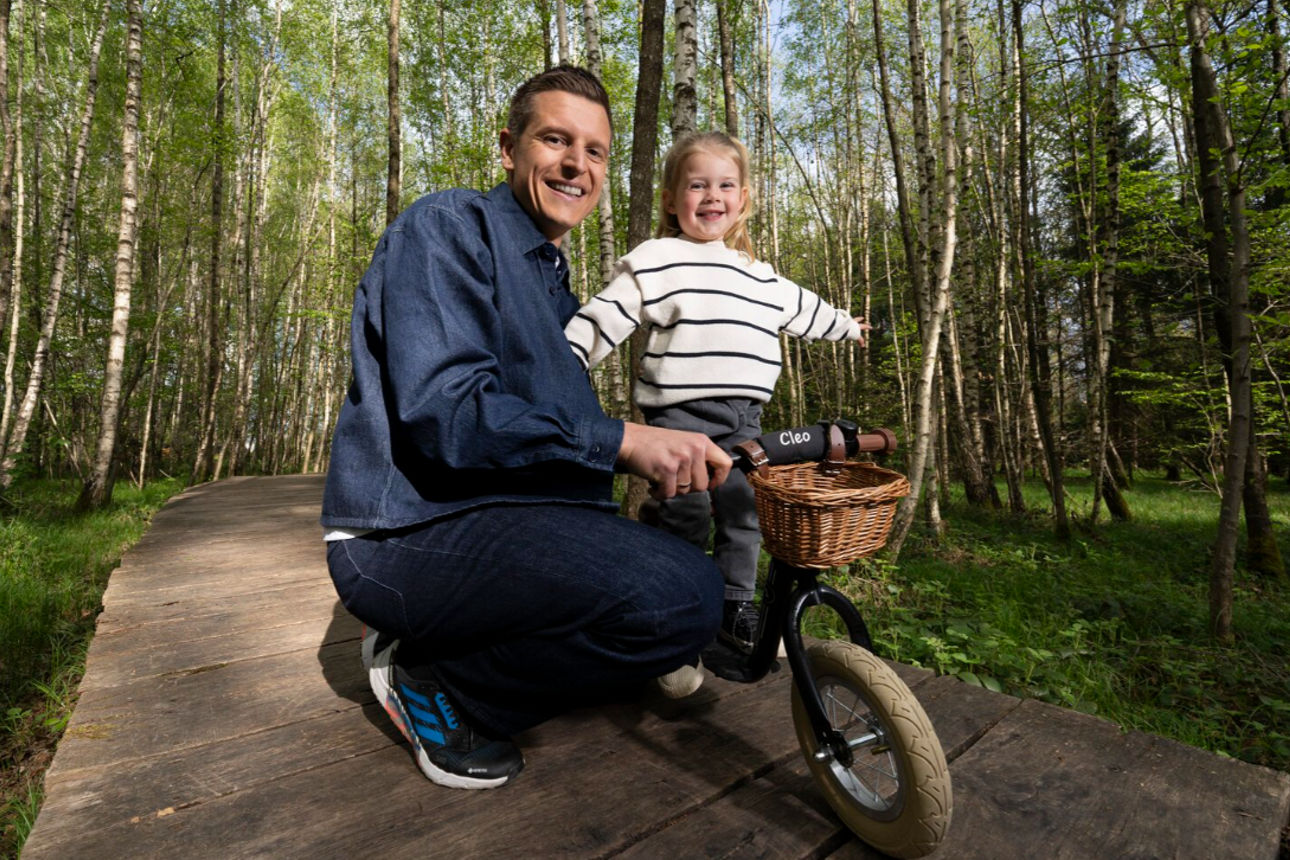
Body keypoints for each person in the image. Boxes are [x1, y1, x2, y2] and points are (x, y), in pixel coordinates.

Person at [321, 66, 733, 791]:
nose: (578, 164)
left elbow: (538, 441)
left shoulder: (550, 281)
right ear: (509, 148)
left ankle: (463, 635)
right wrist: (625, 441)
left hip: (498, 522)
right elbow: (447, 415)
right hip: (407, 535)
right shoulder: (447, 226)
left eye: (596, 151)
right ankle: (437, 681)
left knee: (676, 590)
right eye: (555, 140)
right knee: (682, 596)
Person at [564, 131, 868, 681]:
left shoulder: (760, 276)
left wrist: (847, 325)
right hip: (682, 417)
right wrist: (565, 357)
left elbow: (807, 310)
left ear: (743, 200)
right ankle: (672, 623)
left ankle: (734, 606)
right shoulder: (658, 260)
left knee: (745, 509)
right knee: (688, 512)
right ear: (671, 199)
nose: (712, 196)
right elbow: (608, 313)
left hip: (746, 421)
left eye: (725, 185)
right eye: (697, 184)